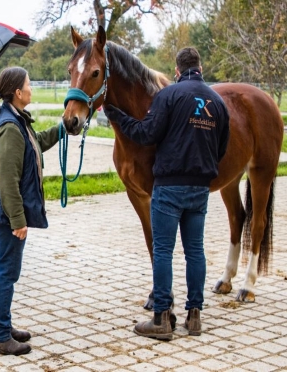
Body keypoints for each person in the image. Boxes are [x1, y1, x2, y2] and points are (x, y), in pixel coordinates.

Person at [103, 47, 230, 340]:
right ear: (200, 68)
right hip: (200, 188)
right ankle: (194, 317)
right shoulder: (217, 102)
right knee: (195, 251)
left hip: (169, 185)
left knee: (163, 250)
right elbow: (221, 148)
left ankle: (161, 318)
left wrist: (118, 117)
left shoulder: (168, 96)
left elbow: (147, 134)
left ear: (176, 70)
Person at [0, 67, 60, 355]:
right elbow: (7, 182)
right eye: (28, 84)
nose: (31, 88)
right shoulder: (10, 128)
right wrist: (18, 220)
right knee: (7, 272)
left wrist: (62, 129)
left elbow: (35, 146)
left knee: (8, 271)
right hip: (6, 212)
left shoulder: (15, 120)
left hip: (4, 211)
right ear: (17, 92)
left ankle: (4, 323)